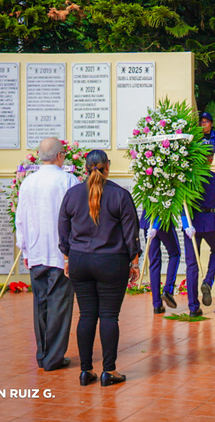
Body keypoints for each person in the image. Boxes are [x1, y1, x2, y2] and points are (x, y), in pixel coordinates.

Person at [58, 150, 142, 387]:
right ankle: (109, 371)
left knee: (86, 315)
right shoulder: (120, 195)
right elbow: (130, 234)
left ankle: (86, 371)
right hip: (111, 261)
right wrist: (134, 263)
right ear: (108, 167)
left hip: (79, 260)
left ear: (85, 168)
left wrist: (67, 259)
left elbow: (63, 232)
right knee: (108, 316)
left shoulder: (72, 195)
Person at [15, 137, 78, 372]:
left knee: (40, 303)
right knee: (60, 304)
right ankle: (53, 358)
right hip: (60, 253)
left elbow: (20, 219)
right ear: (60, 155)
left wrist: (24, 248)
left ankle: (43, 354)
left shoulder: (28, 183)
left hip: (36, 250)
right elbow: (76, 218)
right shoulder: (69, 181)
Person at [183, 154, 215, 316]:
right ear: (211, 159)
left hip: (192, 222)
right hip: (209, 221)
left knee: (192, 264)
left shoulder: (189, 178)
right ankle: (208, 280)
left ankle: (193, 307)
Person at [139, 215, 181, 314]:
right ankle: (168, 289)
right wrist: (156, 226)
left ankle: (157, 304)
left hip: (148, 222)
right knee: (175, 254)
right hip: (163, 221)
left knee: (154, 262)